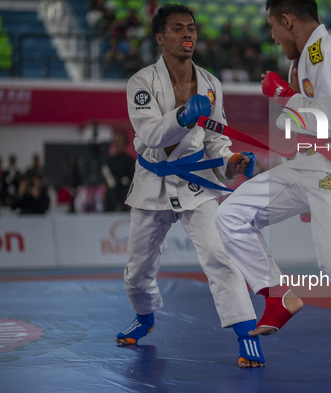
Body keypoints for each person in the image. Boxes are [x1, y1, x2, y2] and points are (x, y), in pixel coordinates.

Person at [215, 0, 331, 387]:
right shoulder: (307, 59)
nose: (274, 39)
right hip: (310, 164)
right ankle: (277, 295)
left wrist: (283, 95)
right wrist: (289, 93)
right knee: (231, 214)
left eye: (274, 29)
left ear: (287, 20)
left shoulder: (327, 53)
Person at [117, 4, 265, 369]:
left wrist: (229, 160)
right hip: (153, 182)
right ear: (160, 37)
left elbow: (215, 137)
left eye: (192, 28)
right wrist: (183, 115)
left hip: (196, 184)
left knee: (218, 255)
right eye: (178, 28)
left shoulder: (211, 84)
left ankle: (247, 335)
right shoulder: (141, 83)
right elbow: (149, 133)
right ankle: (146, 317)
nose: (187, 34)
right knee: (138, 273)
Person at [102, 131, 135, 212]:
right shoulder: (109, 161)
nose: (117, 144)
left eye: (120, 142)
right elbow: (107, 179)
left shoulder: (130, 161)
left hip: (123, 195)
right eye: (116, 142)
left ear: (124, 143)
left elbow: (132, 180)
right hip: (110, 197)